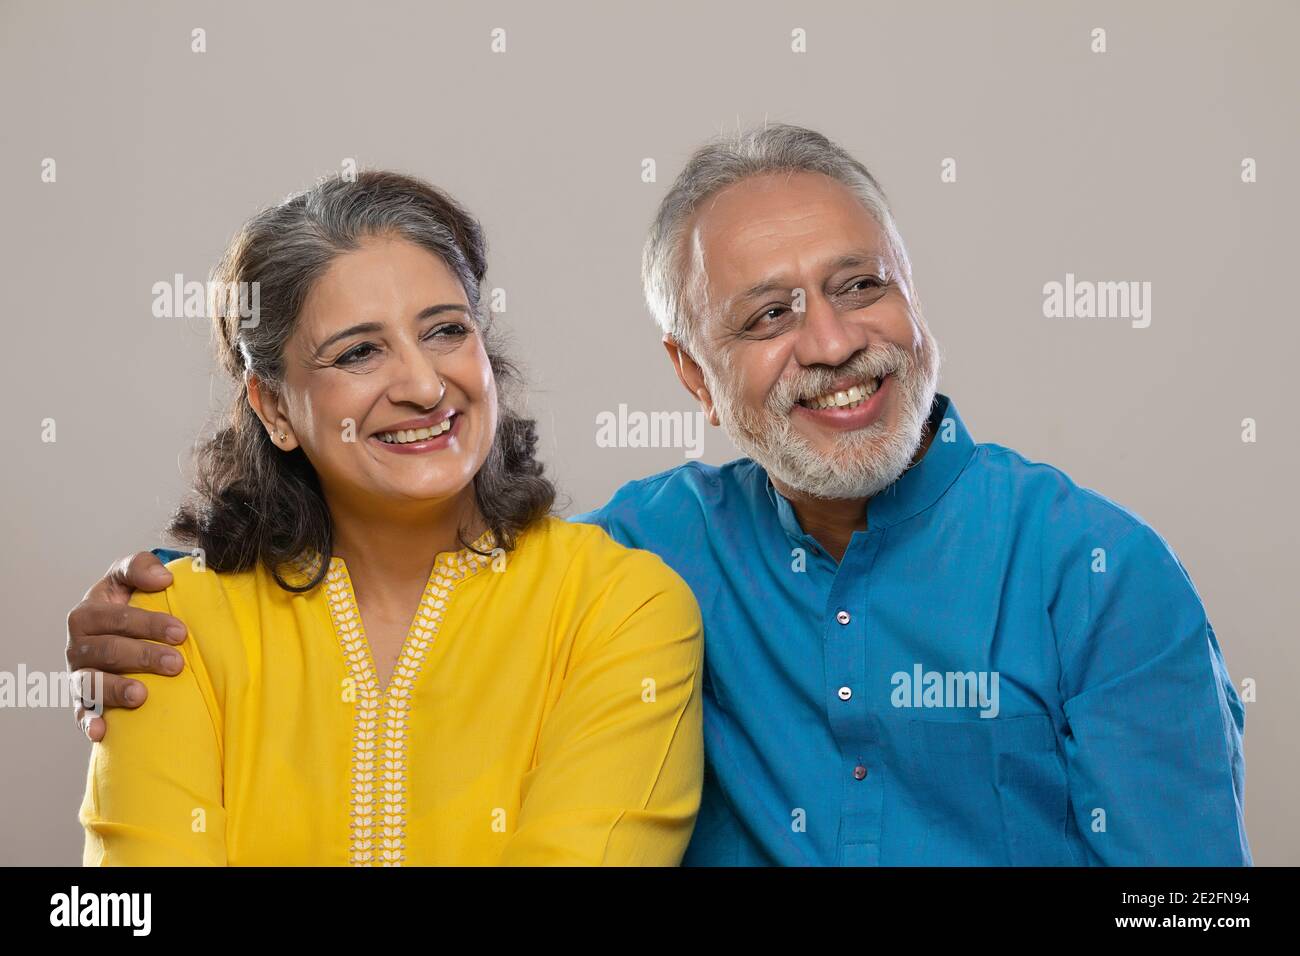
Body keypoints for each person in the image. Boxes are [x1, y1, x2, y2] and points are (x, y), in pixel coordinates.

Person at [68, 125, 1249, 866]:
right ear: (691, 373)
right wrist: (138, 619)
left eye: (861, 287)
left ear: (916, 302)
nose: (834, 342)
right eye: (768, 315)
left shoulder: (1099, 573)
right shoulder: (643, 556)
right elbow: (451, 590)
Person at [72, 170, 703, 866]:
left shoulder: (620, 608)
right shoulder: (168, 631)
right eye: (359, 352)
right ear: (274, 408)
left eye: (445, 331)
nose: (426, 387)